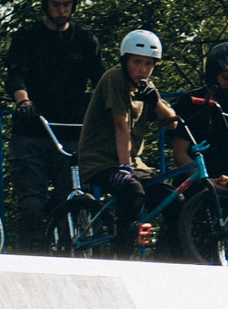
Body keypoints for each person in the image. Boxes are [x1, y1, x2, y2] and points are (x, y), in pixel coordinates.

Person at [6, 0, 105, 250]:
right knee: (31, 204)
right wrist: (23, 101)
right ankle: (29, 258)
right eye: (55, 4)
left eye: (66, 4)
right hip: (33, 129)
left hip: (73, 130)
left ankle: (74, 255)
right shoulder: (27, 36)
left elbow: (101, 81)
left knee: (74, 199)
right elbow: (16, 75)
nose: (61, 10)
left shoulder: (85, 40)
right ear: (44, 3)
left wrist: (110, 110)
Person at [75, 29, 180, 253]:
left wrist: (155, 101)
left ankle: (164, 260)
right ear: (125, 61)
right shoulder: (114, 78)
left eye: (149, 64)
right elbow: (120, 125)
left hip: (133, 163)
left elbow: (172, 123)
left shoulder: (146, 88)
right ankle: (121, 255)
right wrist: (125, 167)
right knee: (132, 192)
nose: (142, 69)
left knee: (174, 200)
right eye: (137, 62)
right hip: (101, 161)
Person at [167, 41, 228, 187]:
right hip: (197, 179)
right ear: (212, 74)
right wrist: (204, 181)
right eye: (226, 78)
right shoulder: (192, 102)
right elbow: (180, 151)